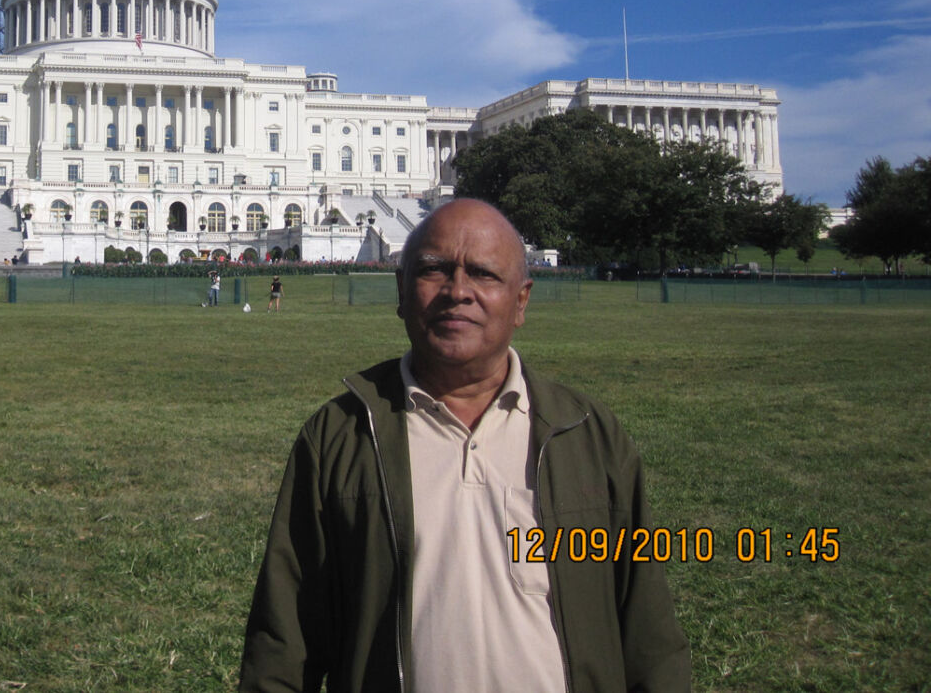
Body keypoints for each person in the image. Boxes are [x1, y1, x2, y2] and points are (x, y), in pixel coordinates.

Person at [239, 199, 690, 693]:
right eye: (434, 270)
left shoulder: (587, 434)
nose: (458, 291)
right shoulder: (341, 436)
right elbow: (284, 644)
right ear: (401, 291)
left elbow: (648, 630)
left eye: (483, 273)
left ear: (521, 301)